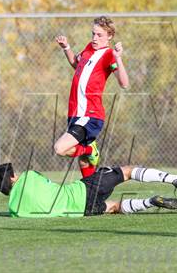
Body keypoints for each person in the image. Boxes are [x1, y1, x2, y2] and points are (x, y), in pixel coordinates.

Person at [54, 16, 129, 178]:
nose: (95, 38)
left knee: (60, 148)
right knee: (84, 162)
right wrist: (66, 47)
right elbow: (76, 64)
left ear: (109, 36)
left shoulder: (109, 55)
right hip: (75, 113)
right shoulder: (89, 48)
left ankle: (90, 148)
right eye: (93, 34)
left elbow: (124, 83)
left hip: (90, 114)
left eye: (99, 35)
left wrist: (118, 58)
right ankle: (91, 193)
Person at [0, 163, 177, 218]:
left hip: (81, 211)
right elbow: (47, 183)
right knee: (126, 172)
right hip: (82, 190)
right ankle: (175, 179)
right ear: (13, 177)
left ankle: (150, 202)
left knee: (114, 207)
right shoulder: (28, 177)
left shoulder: (14, 209)